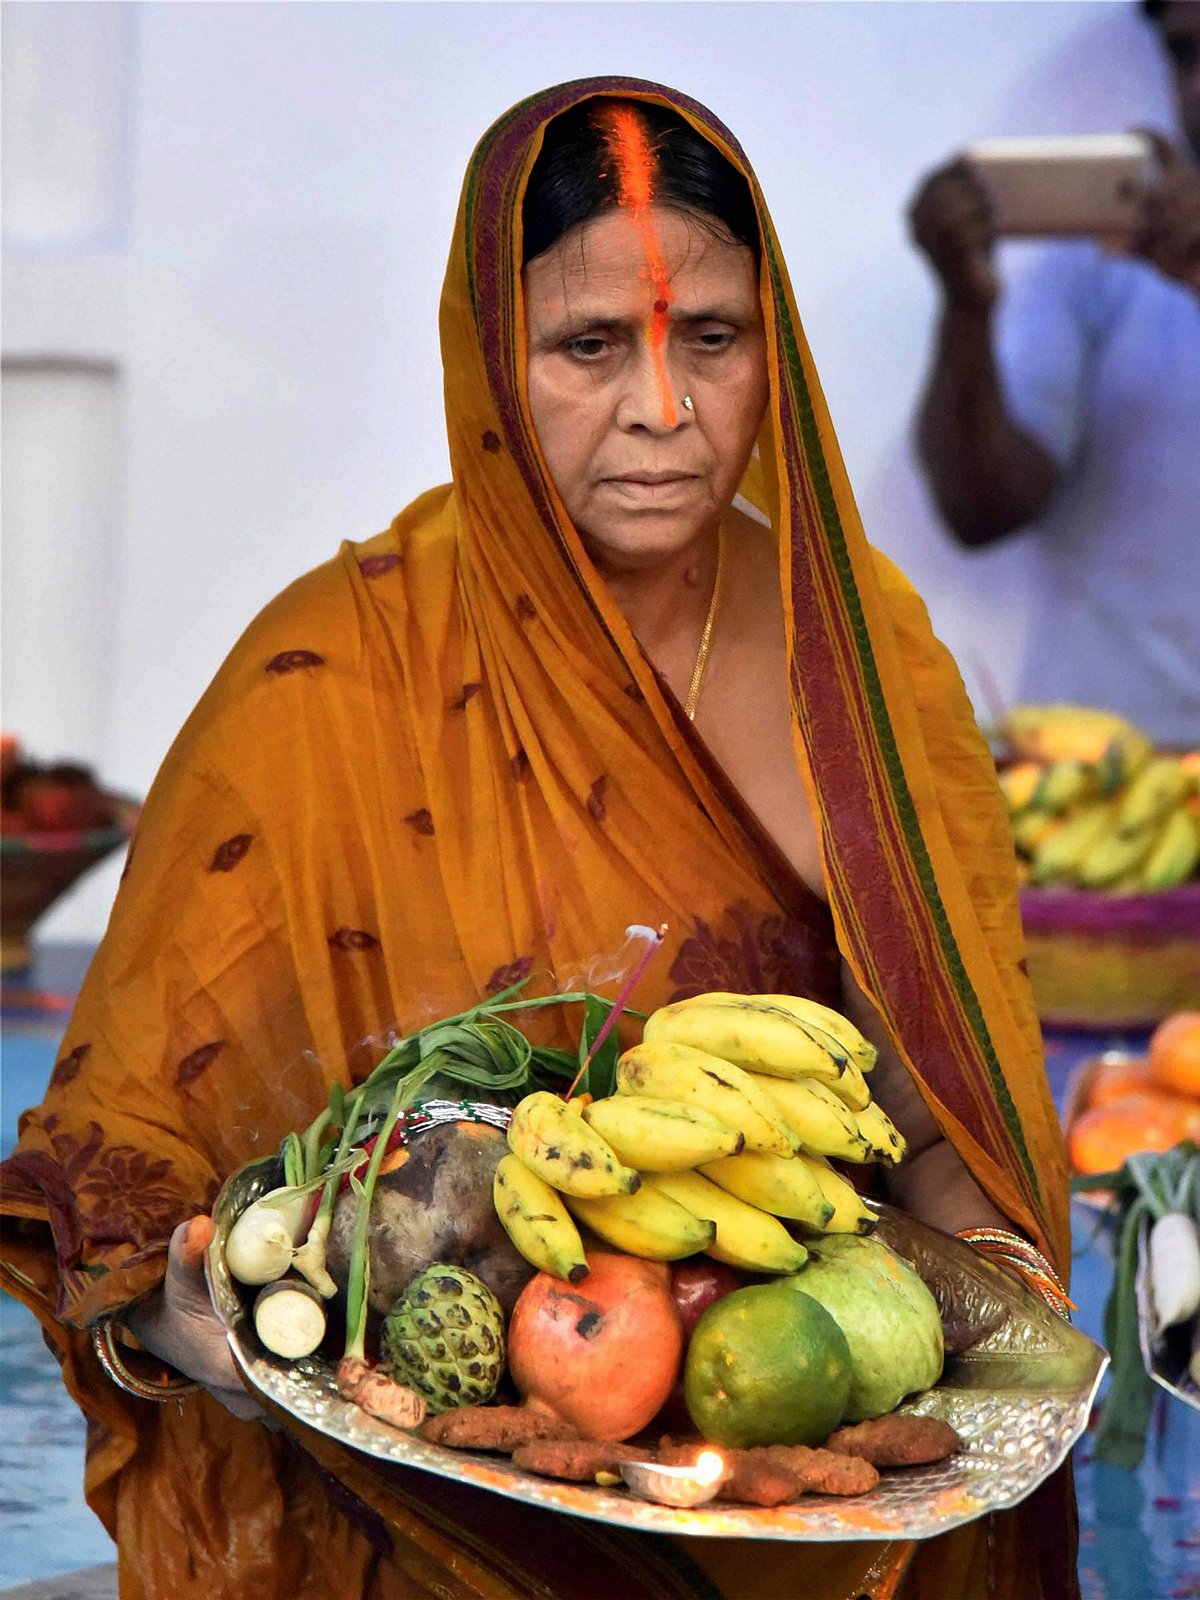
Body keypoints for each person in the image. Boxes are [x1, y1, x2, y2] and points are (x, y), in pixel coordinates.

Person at [0, 79, 1074, 1599]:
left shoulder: (865, 656)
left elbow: (941, 1095)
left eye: (712, 336)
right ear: (494, 363)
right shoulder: (332, 671)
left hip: (790, 1482)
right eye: (589, 347)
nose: (665, 409)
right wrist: (197, 1327)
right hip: (409, 1510)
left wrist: (992, 1333)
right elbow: (113, 1168)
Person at [908, 0, 1200, 746]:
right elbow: (983, 509)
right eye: (1183, 55)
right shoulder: (1098, 259)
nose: (1195, 89)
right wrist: (966, 309)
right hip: (1101, 780)